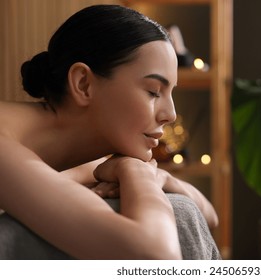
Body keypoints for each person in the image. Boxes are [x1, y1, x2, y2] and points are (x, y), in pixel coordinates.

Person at [0, 4, 219, 260]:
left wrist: (164, 178)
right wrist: (137, 172)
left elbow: (210, 215)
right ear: (84, 84)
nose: (170, 114)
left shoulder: (90, 158)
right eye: (153, 92)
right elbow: (157, 255)